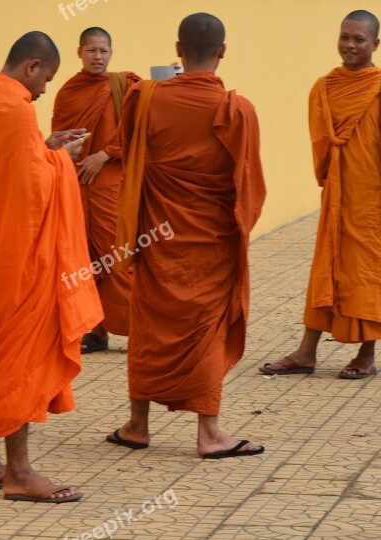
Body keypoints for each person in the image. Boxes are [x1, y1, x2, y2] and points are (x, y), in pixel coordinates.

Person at [0, 31, 102, 503]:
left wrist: (41, 145)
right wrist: (60, 157)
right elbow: (35, 187)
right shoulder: (17, 109)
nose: (44, 91)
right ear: (32, 66)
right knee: (18, 358)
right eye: (46, 79)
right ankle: (19, 472)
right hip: (20, 263)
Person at [107, 13, 267, 459]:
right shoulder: (238, 111)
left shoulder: (144, 98)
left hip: (156, 239)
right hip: (210, 244)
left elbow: (129, 154)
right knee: (205, 328)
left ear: (177, 51)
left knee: (149, 324)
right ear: (222, 52)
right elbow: (250, 189)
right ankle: (209, 433)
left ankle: (137, 424)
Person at [260, 10, 381, 379]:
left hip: (379, 200)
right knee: (328, 268)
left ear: (375, 44)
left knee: (372, 273)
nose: (349, 45)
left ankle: (367, 353)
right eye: (344, 37)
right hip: (338, 196)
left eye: (359, 39)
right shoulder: (325, 86)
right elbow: (321, 140)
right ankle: (306, 352)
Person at [51, 27, 142, 354]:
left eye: (103, 51)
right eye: (91, 50)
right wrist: (72, 154)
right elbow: (58, 136)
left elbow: (137, 129)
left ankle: (140, 329)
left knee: (115, 255)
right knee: (84, 259)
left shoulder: (124, 87)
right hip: (75, 186)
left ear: (111, 53)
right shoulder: (69, 91)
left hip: (109, 184)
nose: (98, 57)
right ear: (79, 53)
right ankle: (97, 331)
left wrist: (102, 156)